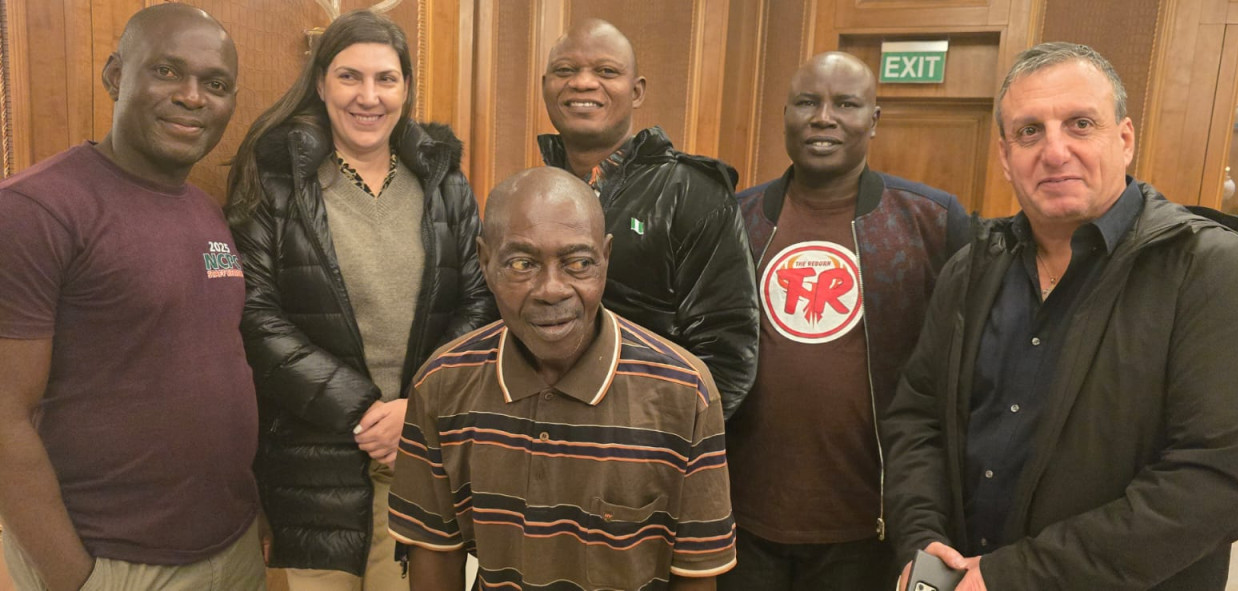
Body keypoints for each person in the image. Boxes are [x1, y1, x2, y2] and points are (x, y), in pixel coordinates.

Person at [883, 42, 1238, 590]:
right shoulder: (971, 267)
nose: (1055, 151)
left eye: (1080, 124)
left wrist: (1013, 577)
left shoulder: (1209, 270)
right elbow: (917, 418)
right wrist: (922, 538)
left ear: (1124, 139)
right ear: (1005, 156)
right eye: (1030, 131)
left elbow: (1220, 481)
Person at [225, 10, 495, 590]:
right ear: (321, 83)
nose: (368, 97)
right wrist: (364, 411)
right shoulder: (276, 178)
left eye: (385, 79)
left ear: (406, 88)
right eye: (350, 76)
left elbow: (477, 305)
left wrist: (415, 412)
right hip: (313, 469)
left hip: (422, 460)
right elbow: (254, 315)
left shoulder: (445, 182)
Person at [0, 4, 265, 591]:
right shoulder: (33, 211)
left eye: (215, 84)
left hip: (232, 545)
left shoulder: (206, 211)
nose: (192, 97)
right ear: (116, 75)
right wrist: (73, 577)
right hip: (114, 560)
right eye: (167, 71)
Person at [388, 167, 737, 591]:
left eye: (579, 263)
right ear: (485, 262)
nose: (552, 289)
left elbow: (695, 574)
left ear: (605, 259)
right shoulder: (442, 383)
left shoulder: (684, 392)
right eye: (522, 263)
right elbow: (435, 553)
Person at [721, 52, 968, 590]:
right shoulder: (734, 217)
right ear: (785, 114)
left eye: (846, 104)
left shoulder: (932, 220)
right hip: (743, 519)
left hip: (872, 523)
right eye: (807, 103)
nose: (823, 118)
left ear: (873, 120)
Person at [537, 18, 759, 419]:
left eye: (606, 71)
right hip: (542, 430)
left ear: (636, 91)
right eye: (565, 70)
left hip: (647, 437)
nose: (582, 83)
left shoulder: (692, 192)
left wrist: (659, 442)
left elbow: (728, 358)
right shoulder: (533, 196)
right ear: (545, 86)